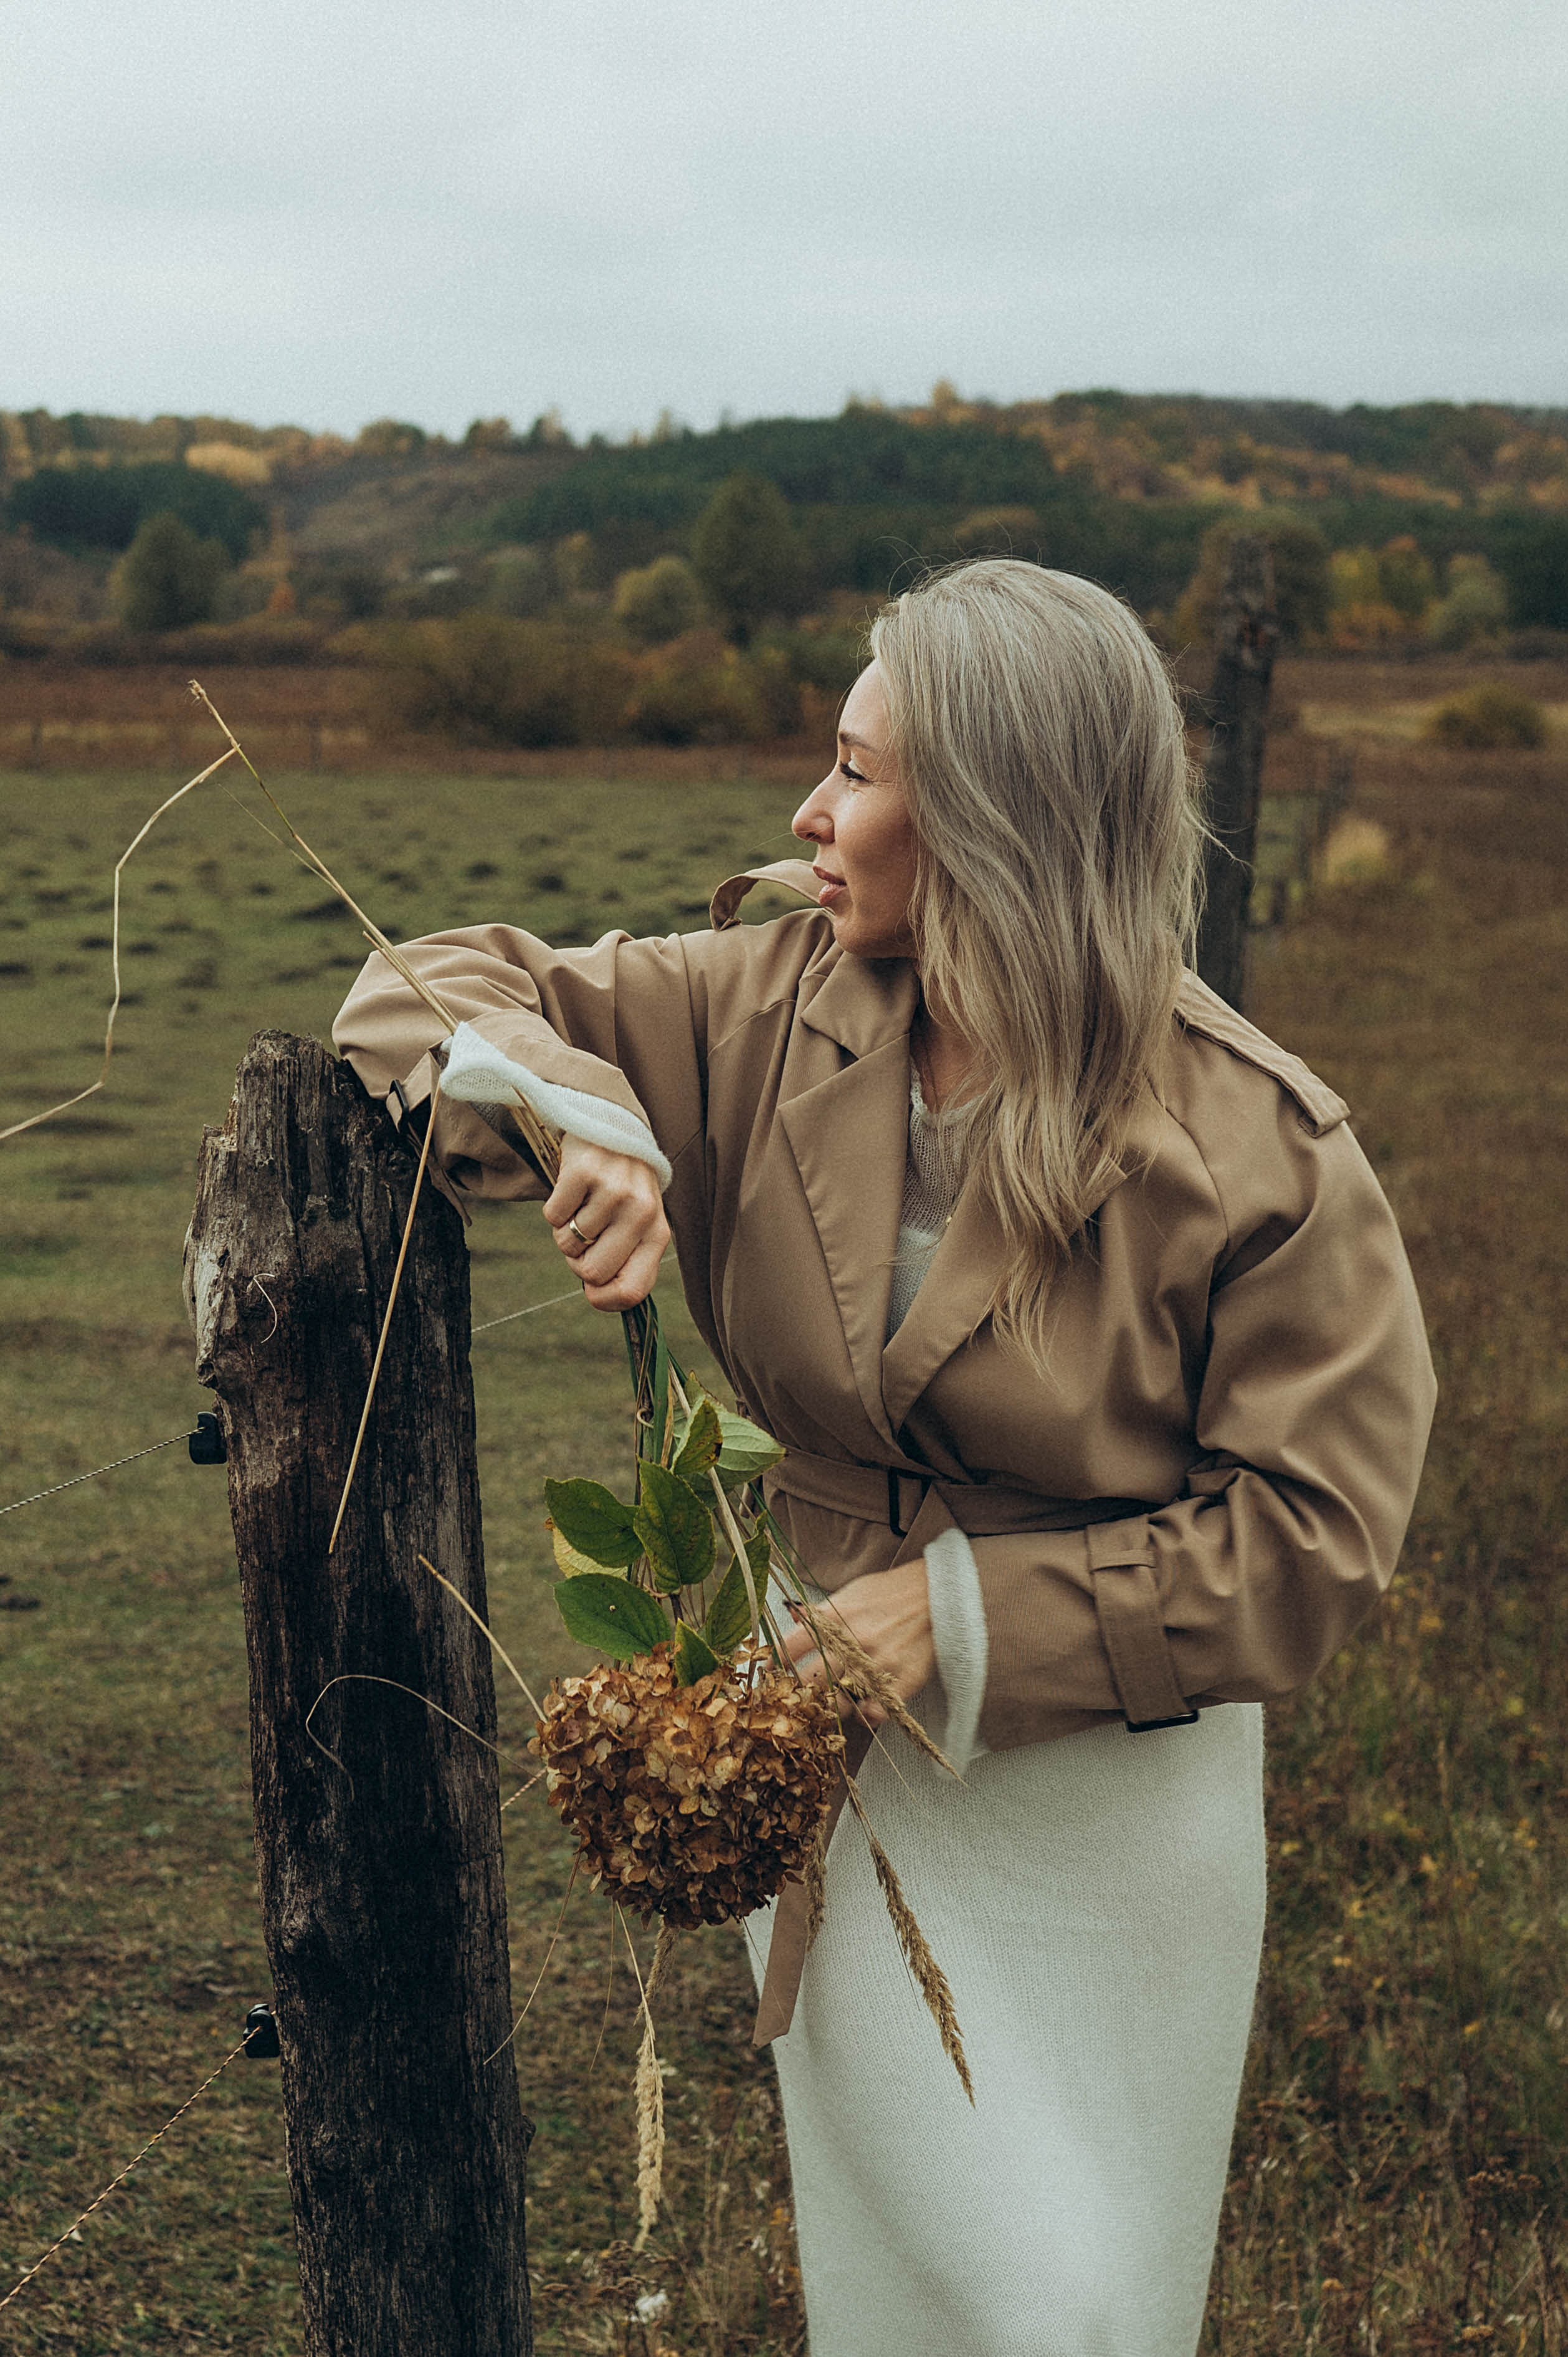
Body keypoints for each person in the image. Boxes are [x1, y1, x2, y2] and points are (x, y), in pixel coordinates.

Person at [335, 559, 1435, 2357]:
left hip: (1110, 1803)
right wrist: (570, 1103)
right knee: (923, 2294)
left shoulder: (1264, 1150)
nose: (808, 811)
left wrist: (951, 1621)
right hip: (832, 1770)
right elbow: (406, 987)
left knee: (1080, 2307)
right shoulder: (759, 1005)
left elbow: (1313, 1544)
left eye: (856, 771)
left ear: (994, 819)